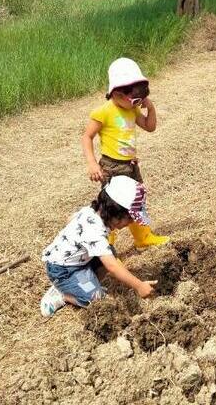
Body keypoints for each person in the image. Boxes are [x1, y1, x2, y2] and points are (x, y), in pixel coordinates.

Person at [82, 57, 169, 249]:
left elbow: (149, 126)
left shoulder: (132, 109)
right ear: (118, 94)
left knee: (136, 200)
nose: (139, 103)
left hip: (130, 164)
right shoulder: (103, 112)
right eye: (136, 99)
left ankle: (143, 238)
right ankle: (107, 247)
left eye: (141, 99)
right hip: (112, 166)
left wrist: (151, 107)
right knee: (114, 207)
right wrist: (92, 163)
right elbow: (87, 137)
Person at [40, 175, 158, 317]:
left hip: (79, 262)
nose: (131, 223)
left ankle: (83, 284)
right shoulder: (94, 231)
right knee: (96, 299)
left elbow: (70, 219)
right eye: (130, 218)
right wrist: (139, 286)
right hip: (64, 271)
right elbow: (112, 267)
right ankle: (62, 295)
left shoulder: (92, 211)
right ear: (116, 212)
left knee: (110, 252)